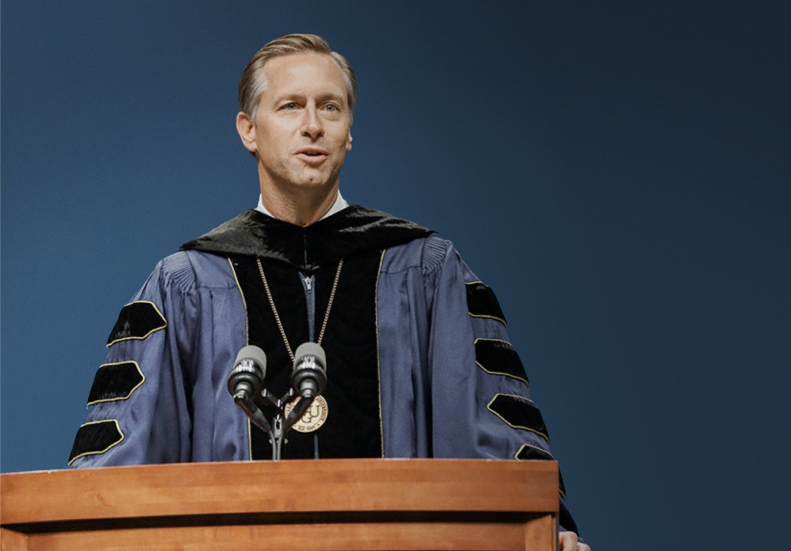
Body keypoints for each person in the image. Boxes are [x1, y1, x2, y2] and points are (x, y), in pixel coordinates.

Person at [68, 34, 589, 550]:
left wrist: (550, 528)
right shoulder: (187, 283)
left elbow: (491, 427)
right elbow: (125, 450)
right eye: (291, 106)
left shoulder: (426, 269)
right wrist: (77, 526)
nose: (312, 125)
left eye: (330, 108)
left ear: (349, 132)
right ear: (249, 130)